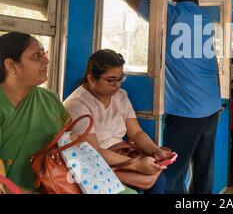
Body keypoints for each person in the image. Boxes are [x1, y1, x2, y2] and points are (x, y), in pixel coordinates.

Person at [108, 0, 222, 194]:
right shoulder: (205, 19)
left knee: (171, 171)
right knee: (203, 169)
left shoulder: (168, 14)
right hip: (212, 105)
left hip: (187, 111)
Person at [64, 49, 169, 194]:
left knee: (159, 178)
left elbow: (136, 132)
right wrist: (136, 165)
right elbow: (94, 151)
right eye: (111, 80)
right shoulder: (78, 105)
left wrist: (155, 150)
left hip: (123, 152)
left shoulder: (121, 96)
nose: (118, 85)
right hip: (97, 162)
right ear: (91, 79)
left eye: (121, 78)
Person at [0, 32, 69, 192]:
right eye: (36, 56)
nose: (46, 60)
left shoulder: (51, 99)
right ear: (11, 65)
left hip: (53, 186)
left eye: (44, 53)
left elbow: (68, 143)